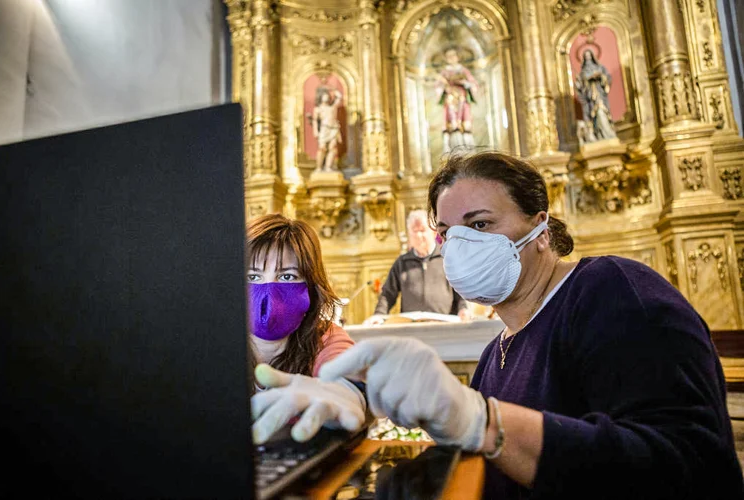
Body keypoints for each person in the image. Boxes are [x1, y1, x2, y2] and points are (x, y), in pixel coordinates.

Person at [252, 151, 743, 498]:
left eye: (481, 224)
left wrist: (483, 421)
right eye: (447, 232)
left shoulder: (611, 289)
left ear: (541, 229)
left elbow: (689, 465)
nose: (458, 245)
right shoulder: (497, 351)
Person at [246, 214, 366, 444]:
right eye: (253, 276)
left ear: (311, 288)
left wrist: (346, 393)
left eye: (287, 276)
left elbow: (346, 373)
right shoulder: (213, 342)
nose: (269, 294)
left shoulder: (326, 337)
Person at [364, 209, 469, 325]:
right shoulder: (402, 263)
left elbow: (460, 290)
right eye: (415, 231)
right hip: (411, 326)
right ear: (409, 235)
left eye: (423, 230)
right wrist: (379, 314)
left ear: (433, 232)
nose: (419, 236)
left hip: (445, 324)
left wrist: (463, 309)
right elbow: (387, 294)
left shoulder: (447, 258)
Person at [435, 47, 479, 152]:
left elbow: (474, 85)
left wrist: (464, 83)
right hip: (450, 101)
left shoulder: (464, 71)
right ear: (446, 58)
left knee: (464, 121)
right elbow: (438, 87)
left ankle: (466, 147)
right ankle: (452, 147)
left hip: (462, 100)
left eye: (453, 55)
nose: (451, 58)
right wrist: (445, 88)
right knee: (451, 122)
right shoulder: (444, 72)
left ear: (458, 57)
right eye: (448, 56)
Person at [574, 48, 617, 142]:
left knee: (602, 112)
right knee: (593, 115)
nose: (588, 58)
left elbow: (607, 78)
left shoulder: (600, 68)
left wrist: (601, 77)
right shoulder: (583, 73)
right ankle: (597, 134)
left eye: (589, 55)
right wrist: (581, 82)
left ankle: (607, 133)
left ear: (593, 56)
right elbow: (580, 88)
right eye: (586, 56)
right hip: (590, 99)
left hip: (600, 94)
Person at [308, 87, 343, 172]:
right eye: (324, 95)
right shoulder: (318, 109)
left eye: (327, 95)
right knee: (322, 148)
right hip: (324, 129)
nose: (326, 97)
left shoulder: (332, 107)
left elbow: (339, 97)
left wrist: (334, 91)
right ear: (320, 97)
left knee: (332, 148)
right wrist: (315, 131)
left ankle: (328, 167)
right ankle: (319, 167)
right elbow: (315, 121)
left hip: (333, 129)